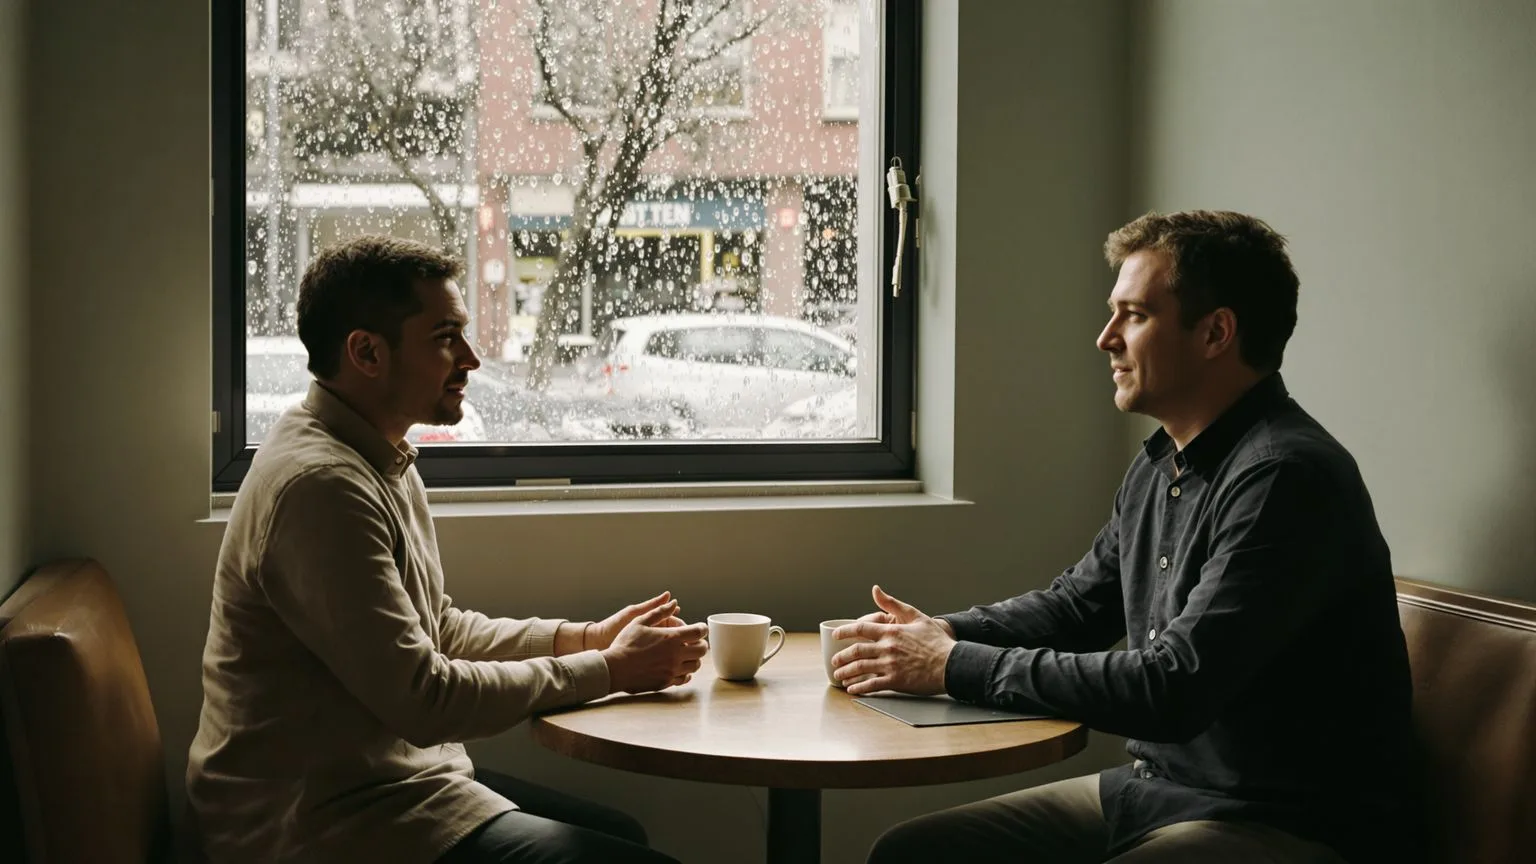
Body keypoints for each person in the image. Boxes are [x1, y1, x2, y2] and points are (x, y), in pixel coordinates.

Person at [832, 211, 1419, 863]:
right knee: (916, 852)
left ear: (1216, 332)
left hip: (1282, 821)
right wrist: (936, 635)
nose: (1104, 338)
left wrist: (948, 665)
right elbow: (1076, 608)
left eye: (1134, 315)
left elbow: (1173, 688)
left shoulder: (1286, 477)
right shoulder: (1161, 463)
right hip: (1157, 794)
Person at [188, 235, 708, 864]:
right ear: (366, 352)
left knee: (622, 835)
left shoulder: (377, 454)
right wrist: (611, 671)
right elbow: (425, 699)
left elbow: (435, 628)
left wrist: (586, 638)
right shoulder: (321, 488)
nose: (471, 358)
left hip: (392, 789)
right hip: (317, 825)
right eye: (445, 337)